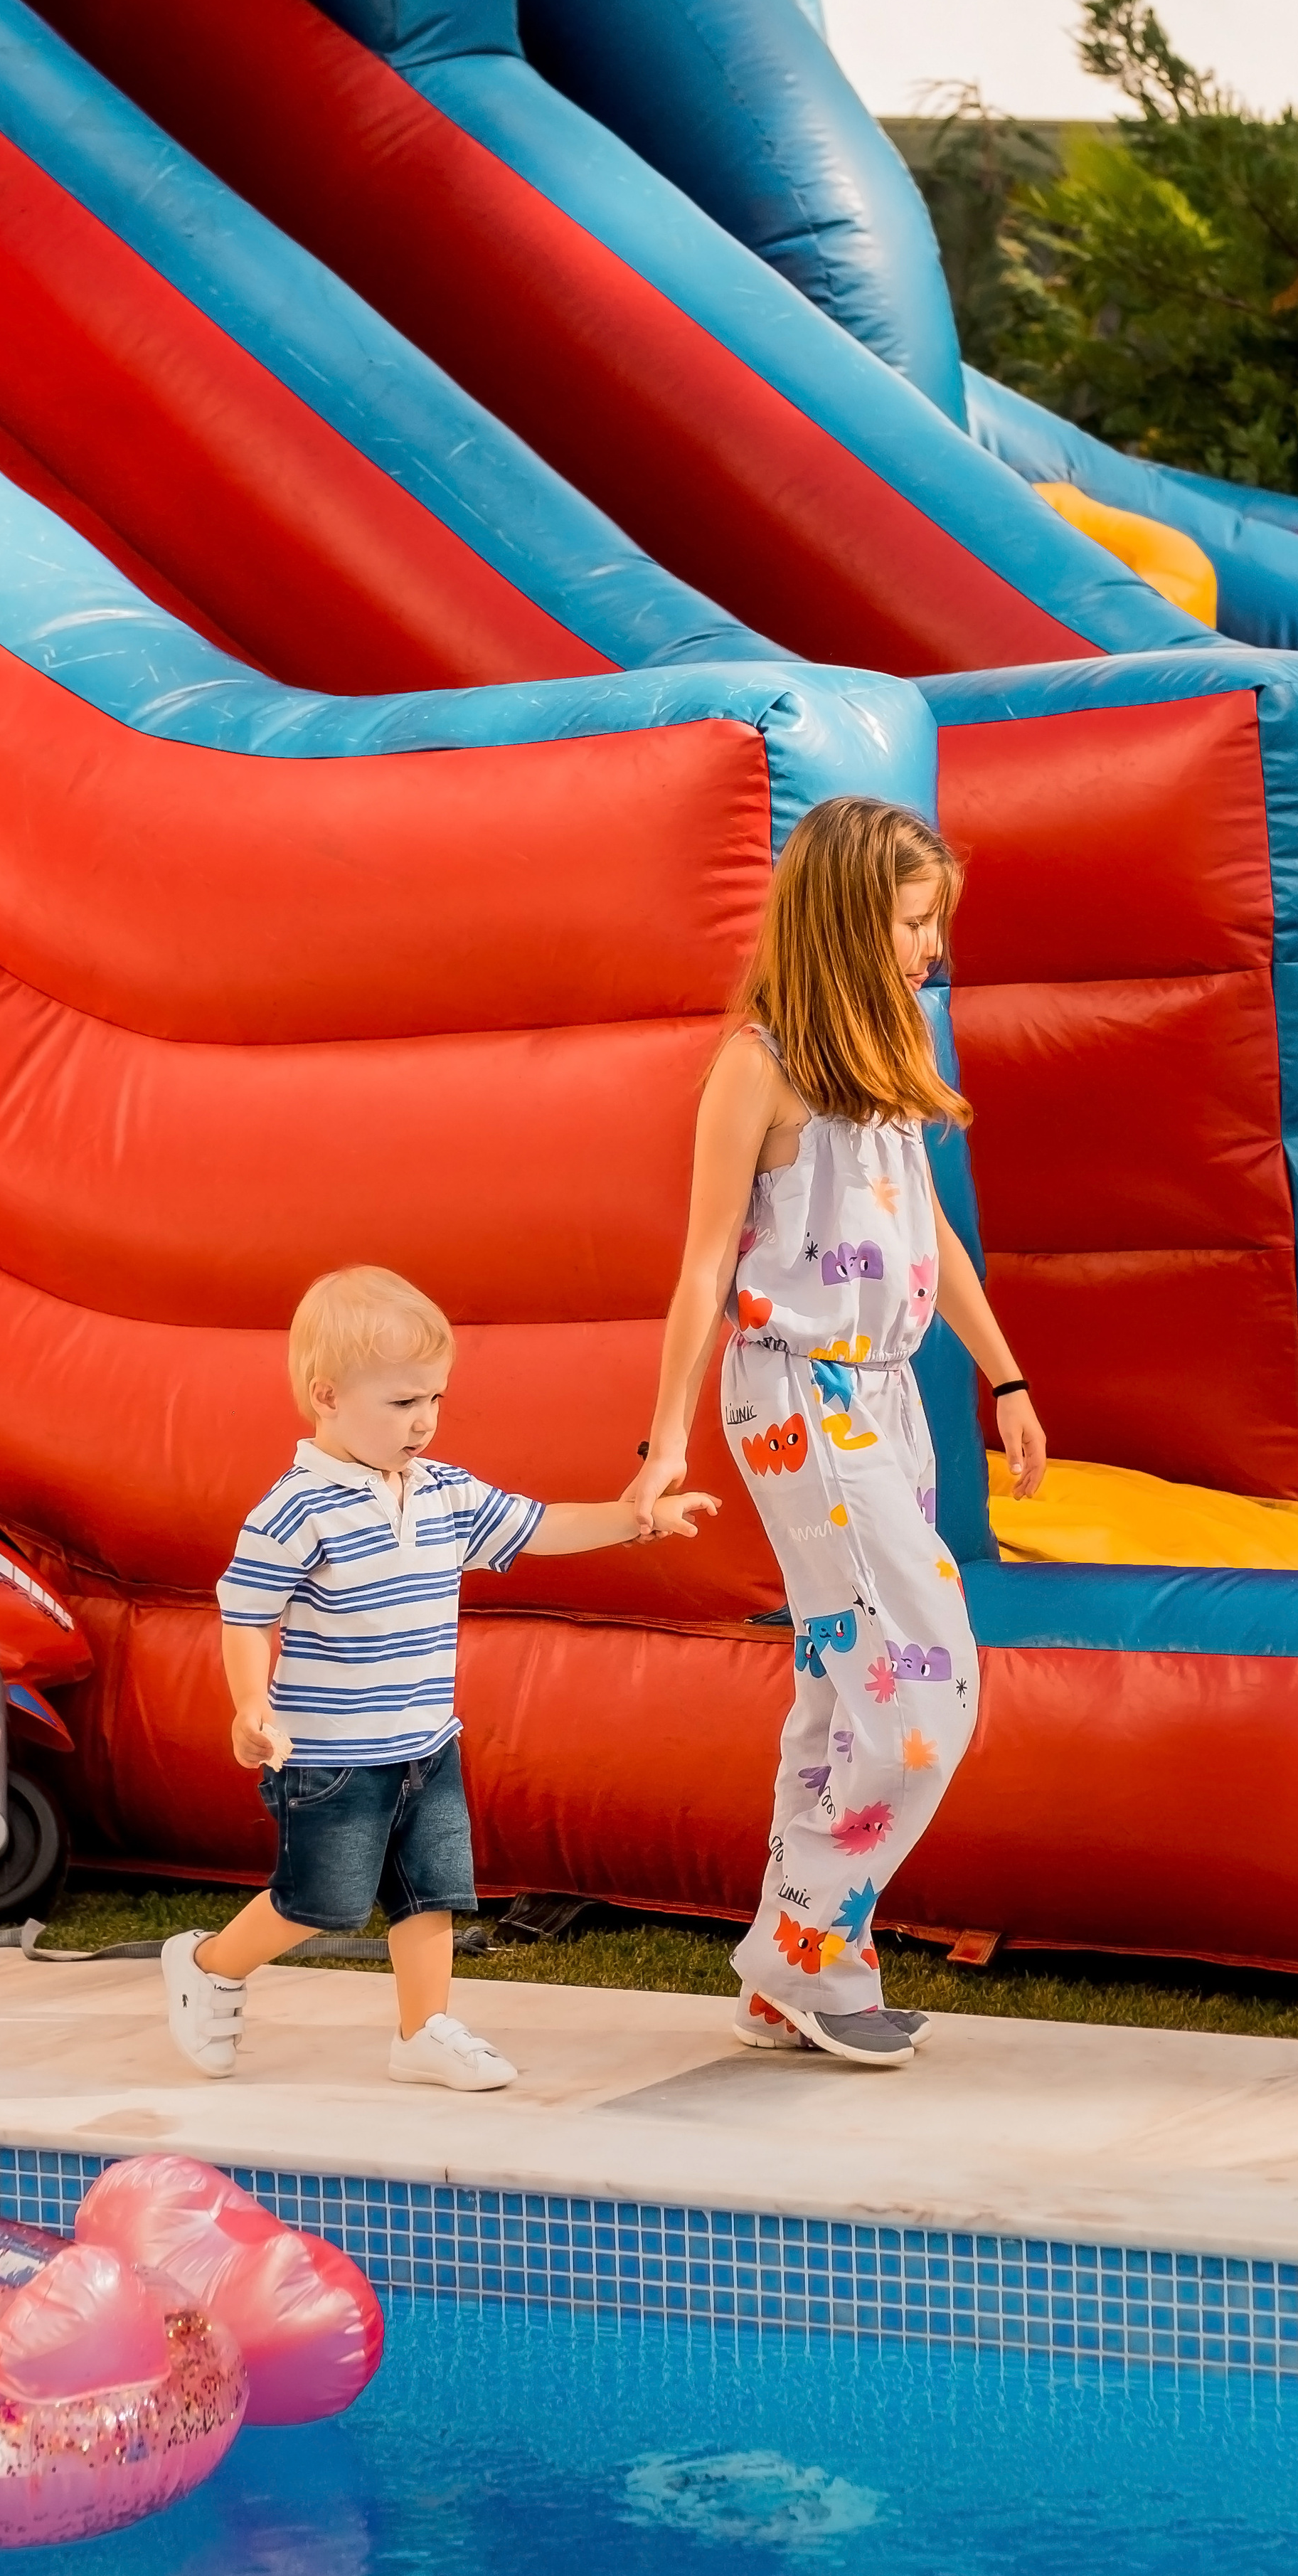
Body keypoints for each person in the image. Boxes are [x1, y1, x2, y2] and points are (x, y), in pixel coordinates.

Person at [625, 797, 1047, 2071]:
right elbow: (702, 1269)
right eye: (914, 922)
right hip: (801, 1395)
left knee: (838, 1684)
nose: (930, 949)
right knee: (931, 1691)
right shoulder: (757, 1066)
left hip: (889, 1397)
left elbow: (935, 1238)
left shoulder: (886, 1061)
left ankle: (793, 1973)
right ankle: (806, 1946)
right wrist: (663, 1444)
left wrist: (1007, 1380)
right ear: (850, 916)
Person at [164, 1265, 717, 2092]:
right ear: (327, 1397)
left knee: (433, 1892)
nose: (423, 1422)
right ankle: (209, 1965)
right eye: (401, 1404)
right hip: (331, 1754)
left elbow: (540, 1525)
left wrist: (636, 1520)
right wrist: (251, 1704)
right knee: (321, 1901)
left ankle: (422, 2031)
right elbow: (247, 1615)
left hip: (426, 1741)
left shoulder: (444, 1491)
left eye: (434, 1400)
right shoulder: (294, 1508)